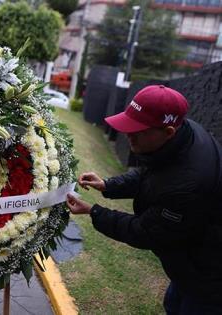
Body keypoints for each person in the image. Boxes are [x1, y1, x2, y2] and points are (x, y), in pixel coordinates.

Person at [67, 85, 222, 314]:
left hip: (210, 275)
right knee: (173, 303)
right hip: (188, 258)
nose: (128, 134)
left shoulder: (187, 185)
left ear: (168, 131)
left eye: (137, 130)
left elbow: (144, 231)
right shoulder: (181, 133)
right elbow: (149, 173)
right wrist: (108, 185)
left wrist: (94, 211)